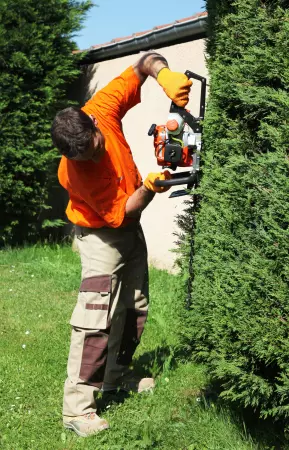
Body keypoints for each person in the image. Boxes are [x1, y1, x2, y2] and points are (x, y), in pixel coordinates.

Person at [51, 51, 192, 437]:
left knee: (134, 307)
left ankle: (116, 375)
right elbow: (124, 212)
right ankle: (77, 411)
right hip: (102, 237)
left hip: (130, 232)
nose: (94, 156)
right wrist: (149, 187)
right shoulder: (78, 173)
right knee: (92, 320)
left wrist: (163, 75)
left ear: (95, 122)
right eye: (84, 156)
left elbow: (145, 59)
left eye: (96, 147)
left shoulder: (103, 106)